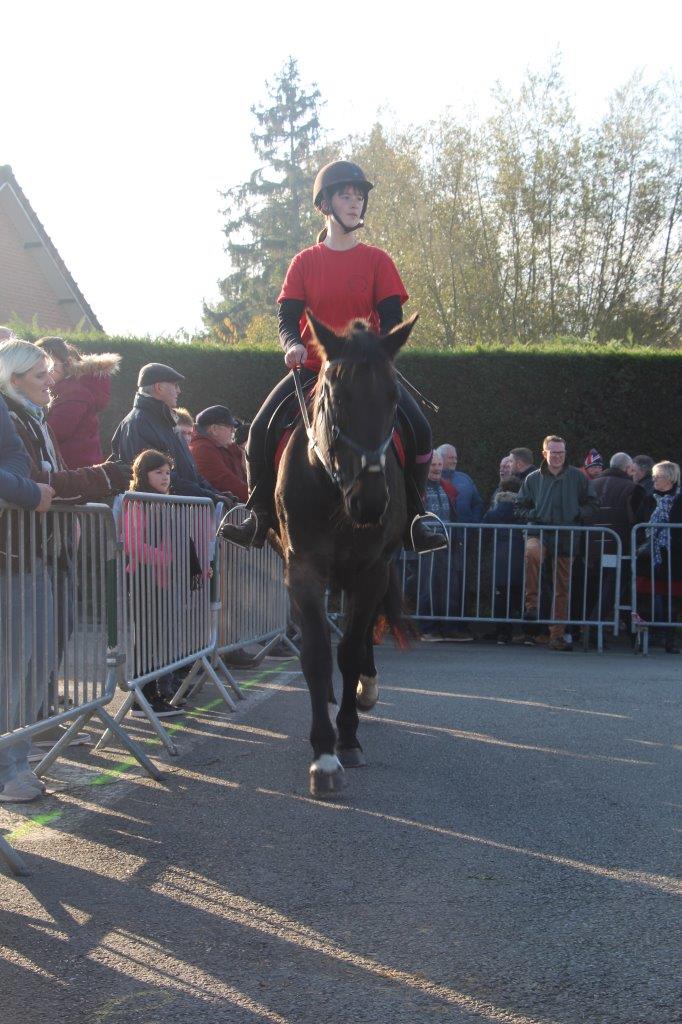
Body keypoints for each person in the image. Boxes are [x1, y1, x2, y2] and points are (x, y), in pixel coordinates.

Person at [221, 160, 448, 554]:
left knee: (421, 430)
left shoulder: (378, 260)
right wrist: (291, 345)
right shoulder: (304, 262)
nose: (355, 202)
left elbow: (392, 318)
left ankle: (415, 518)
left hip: (364, 376)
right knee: (258, 431)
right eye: (346, 195)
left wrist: (374, 355)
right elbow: (287, 318)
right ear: (325, 203)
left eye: (359, 196)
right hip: (312, 371)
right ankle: (257, 515)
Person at [0, 395, 54, 802]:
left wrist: (17, 489)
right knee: (10, 670)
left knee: (31, 665)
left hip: (25, 554)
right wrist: (28, 493)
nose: (51, 380)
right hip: (11, 556)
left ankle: (15, 764)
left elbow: (14, 456)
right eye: (39, 374)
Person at [123, 450, 197, 717]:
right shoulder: (136, 503)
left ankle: (157, 692)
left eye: (167, 472)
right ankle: (142, 697)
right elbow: (133, 543)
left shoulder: (166, 502)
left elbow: (182, 539)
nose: (165, 477)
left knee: (162, 637)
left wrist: (196, 567)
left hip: (166, 582)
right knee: (145, 638)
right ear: (143, 474)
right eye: (158, 472)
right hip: (145, 579)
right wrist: (163, 559)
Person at [516, 435, 600, 651]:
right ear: (544, 453)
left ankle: (557, 636)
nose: (557, 457)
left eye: (561, 453)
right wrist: (534, 513)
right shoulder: (533, 479)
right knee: (531, 553)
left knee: (561, 588)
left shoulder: (578, 478)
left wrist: (577, 514)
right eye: (553, 452)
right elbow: (519, 507)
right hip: (540, 531)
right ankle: (531, 605)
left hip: (567, 536)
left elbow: (593, 503)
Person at [112, 363, 235, 505]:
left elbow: (191, 473)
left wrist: (215, 494)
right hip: (156, 517)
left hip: (174, 514)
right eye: (175, 385)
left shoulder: (165, 422)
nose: (179, 391)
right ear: (159, 387)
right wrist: (211, 498)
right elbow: (163, 478)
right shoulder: (139, 423)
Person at [34, 336, 121, 469]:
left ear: (66, 364)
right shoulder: (71, 388)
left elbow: (53, 434)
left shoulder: (72, 394)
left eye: (51, 365)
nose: (45, 371)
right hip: (80, 469)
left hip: (74, 471)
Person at [635, 461, 682, 653]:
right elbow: (638, 521)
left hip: (674, 555)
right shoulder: (648, 498)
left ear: (670, 478)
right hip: (649, 556)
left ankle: (669, 638)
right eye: (653, 475)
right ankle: (648, 637)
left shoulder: (679, 500)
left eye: (658, 476)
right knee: (648, 596)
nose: (653, 479)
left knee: (672, 598)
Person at [483, 476, 524, 643]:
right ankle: (526, 632)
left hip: (499, 558)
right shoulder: (522, 512)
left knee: (500, 595)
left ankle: (502, 632)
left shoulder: (493, 513)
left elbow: (484, 532)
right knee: (519, 594)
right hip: (520, 558)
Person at [190, 405, 248, 503]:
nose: (233, 431)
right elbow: (225, 482)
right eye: (230, 427)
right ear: (214, 429)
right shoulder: (203, 449)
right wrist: (259, 498)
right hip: (213, 515)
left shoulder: (220, 447)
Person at [437, 443, 484, 522]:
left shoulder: (465, 479)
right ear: (440, 458)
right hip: (440, 531)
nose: (455, 461)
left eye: (455, 458)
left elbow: (477, 504)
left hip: (465, 532)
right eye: (451, 458)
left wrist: (474, 523)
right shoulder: (431, 479)